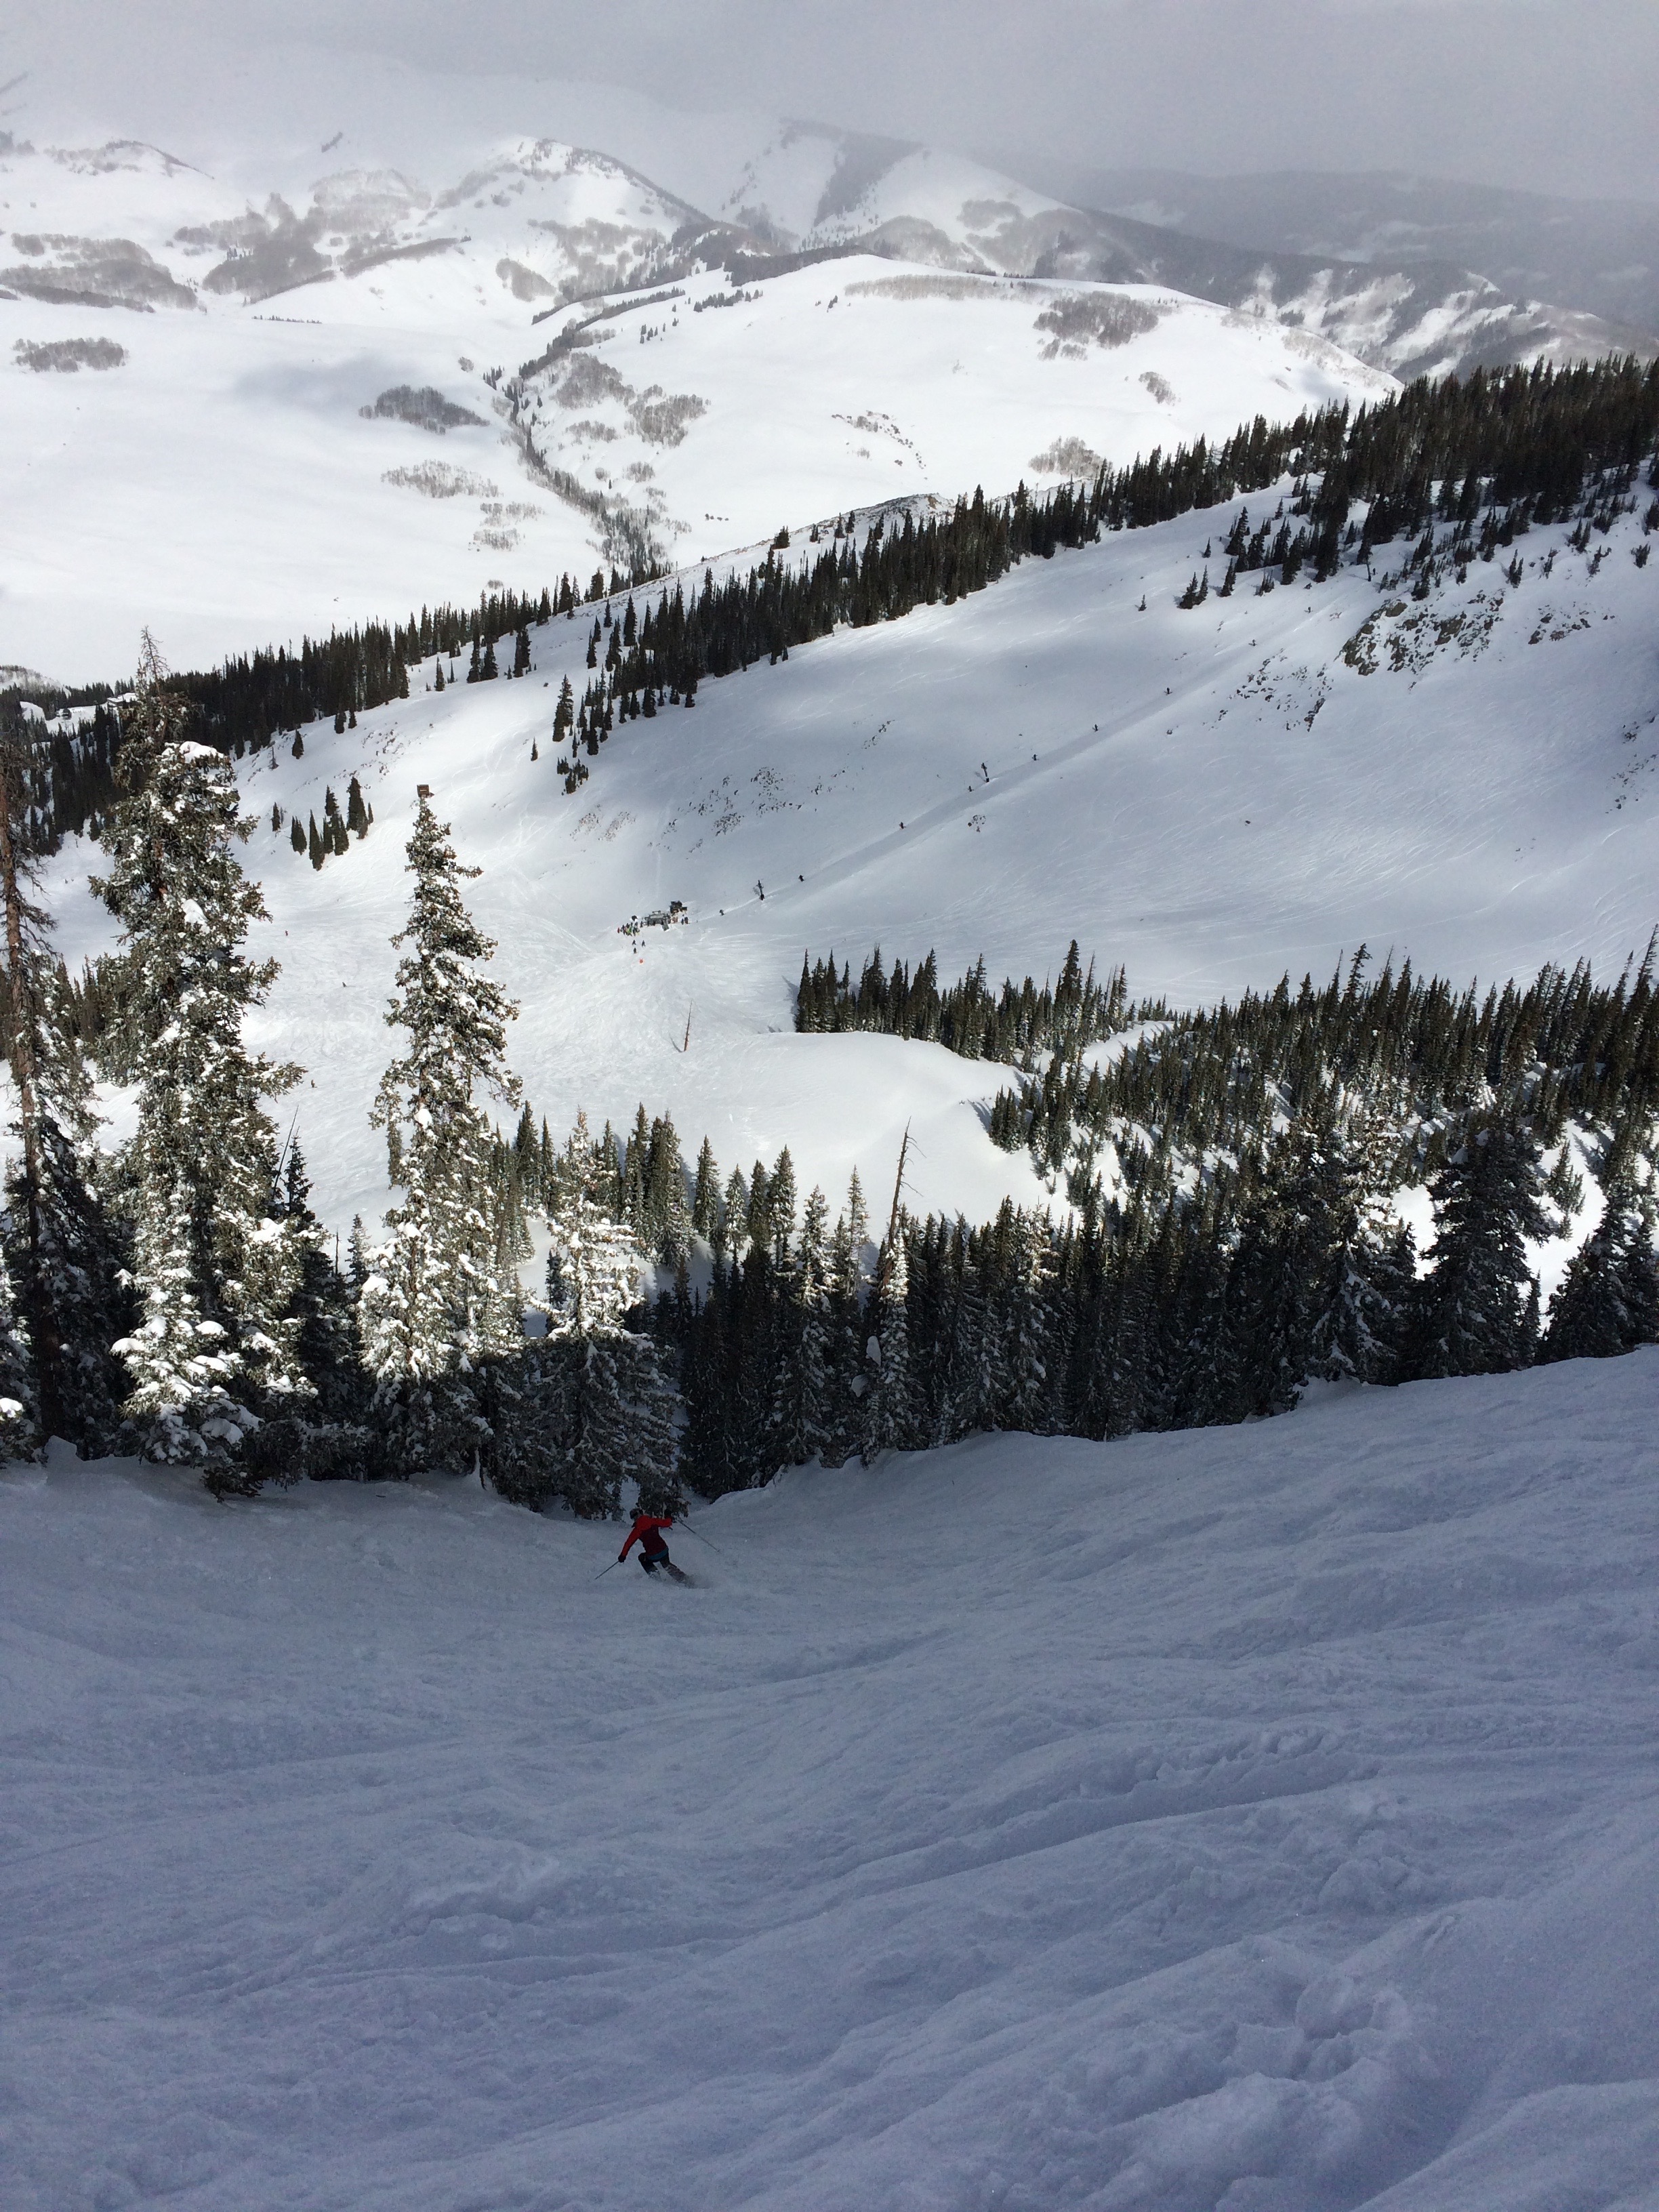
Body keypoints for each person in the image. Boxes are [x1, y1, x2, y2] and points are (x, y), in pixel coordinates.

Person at [619, 1509, 689, 1582]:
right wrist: (668, 1516)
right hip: (663, 1549)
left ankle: (656, 1577)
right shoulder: (652, 1521)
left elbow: (628, 1543)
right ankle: (684, 1579)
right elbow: (667, 1523)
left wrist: (623, 1556)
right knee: (667, 1565)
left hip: (652, 1555)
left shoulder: (637, 1530)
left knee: (642, 1558)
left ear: (634, 1518)